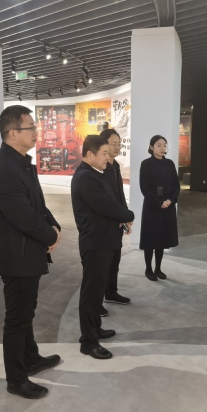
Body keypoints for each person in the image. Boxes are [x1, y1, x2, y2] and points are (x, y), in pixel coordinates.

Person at [0, 105, 62, 400]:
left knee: (26, 311)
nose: (36, 132)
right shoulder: (2, 170)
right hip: (16, 256)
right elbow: (24, 217)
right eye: (31, 127)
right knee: (17, 317)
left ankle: (30, 358)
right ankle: (16, 378)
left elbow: (37, 204)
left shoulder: (19, 163)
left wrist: (54, 225)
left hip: (26, 251)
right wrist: (49, 235)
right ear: (13, 133)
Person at [71, 135, 135, 360]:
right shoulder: (86, 177)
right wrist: (128, 215)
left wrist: (122, 216)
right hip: (95, 243)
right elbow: (107, 206)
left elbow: (111, 203)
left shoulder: (96, 174)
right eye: (104, 153)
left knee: (97, 291)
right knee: (91, 294)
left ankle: (95, 329)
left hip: (104, 241)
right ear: (90, 154)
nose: (108, 157)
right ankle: (88, 341)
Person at [99, 128, 132, 315]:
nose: (117, 147)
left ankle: (111, 292)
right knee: (102, 264)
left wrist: (125, 216)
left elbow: (119, 195)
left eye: (119, 143)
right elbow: (105, 201)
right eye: (113, 143)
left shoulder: (116, 166)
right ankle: (97, 300)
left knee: (114, 260)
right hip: (104, 225)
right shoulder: (100, 169)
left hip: (116, 223)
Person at [139, 135, 180, 281]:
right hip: (152, 206)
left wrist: (170, 200)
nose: (162, 148)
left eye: (164, 145)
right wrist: (159, 202)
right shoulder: (146, 164)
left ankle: (158, 268)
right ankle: (148, 269)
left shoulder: (169, 164)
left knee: (162, 239)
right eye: (159, 145)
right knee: (150, 239)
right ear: (151, 147)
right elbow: (145, 188)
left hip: (167, 206)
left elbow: (176, 185)